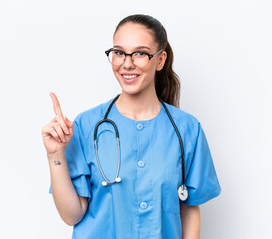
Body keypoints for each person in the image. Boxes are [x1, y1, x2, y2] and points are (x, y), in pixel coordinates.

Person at [41, 14, 221, 239]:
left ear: (160, 60)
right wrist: (55, 155)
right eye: (119, 52)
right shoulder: (87, 125)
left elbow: (189, 208)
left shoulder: (187, 130)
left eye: (140, 53)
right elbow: (72, 215)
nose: (127, 63)